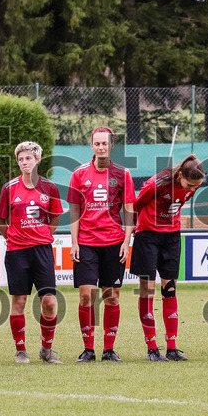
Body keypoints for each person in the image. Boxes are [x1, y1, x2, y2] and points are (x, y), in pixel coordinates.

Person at [67, 127, 135, 363]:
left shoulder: (123, 173)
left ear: (112, 146)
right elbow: (74, 209)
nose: (101, 147)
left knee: (112, 297)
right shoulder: (78, 173)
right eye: (97, 144)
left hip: (114, 243)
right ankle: (88, 349)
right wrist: (73, 242)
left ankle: (108, 349)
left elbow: (128, 210)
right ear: (92, 146)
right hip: (85, 243)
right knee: (87, 296)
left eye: (105, 144)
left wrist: (127, 241)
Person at [130, 154, 206, 361]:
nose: (192, 189)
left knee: (170, 290)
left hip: (172, 238)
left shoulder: (193, 183)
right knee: (147, 291)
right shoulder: (155, 184)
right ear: (180, 175)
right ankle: (152, 348)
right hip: (147, 237)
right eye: (189, 184)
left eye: (196, 186)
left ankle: (172, 348)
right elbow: (134, 207)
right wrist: (133, 229)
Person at [0, 141, 64, 364]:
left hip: (42, 251)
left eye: (28, 158)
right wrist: (15, 238)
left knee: (50, 302)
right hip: (17, 252)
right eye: (21, 159)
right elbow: (0, 221)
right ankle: (21, 350)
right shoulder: (9, 188)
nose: (24, 162)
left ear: (37, 160)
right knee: (19, 301)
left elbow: (54, 218)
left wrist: (41, 234)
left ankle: (46, 350)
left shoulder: (49, 187)